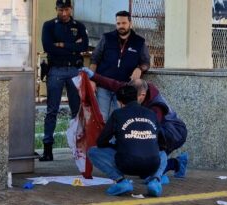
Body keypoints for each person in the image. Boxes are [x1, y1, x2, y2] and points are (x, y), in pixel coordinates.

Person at [81, 67, 188, 178]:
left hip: (173, 133)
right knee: (145, 164)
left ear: (142, 95)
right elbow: (113, 84)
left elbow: (152, 132)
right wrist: (92, 75)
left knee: (149, 165)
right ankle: (159, 173)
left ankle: (177, 164)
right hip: (160, 131)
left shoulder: (156, 107)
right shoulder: (132, 90)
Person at [88, 85, 167, 197]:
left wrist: (116, 147)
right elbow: (163, 143)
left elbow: (101, 142)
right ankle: (155, 181)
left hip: (126, 164)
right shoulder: (151, 114)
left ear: (119, 102)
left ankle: (121, 182)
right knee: (163, 154)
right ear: (138, 97)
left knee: (93, 151)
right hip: (151, 165)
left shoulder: (117, 114)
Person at [39, 0, 89, 161]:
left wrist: (61, 44)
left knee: (76, 111)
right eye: (61, 10)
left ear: (71, 9)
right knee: (52, 110)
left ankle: (77, 148)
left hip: (74, 70)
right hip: (56, 70)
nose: (64, 13)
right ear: (56, 9)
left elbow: (84, 47)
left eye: (66, 9)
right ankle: (48, 149)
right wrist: (72, 46)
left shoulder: (79, 26)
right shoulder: (49, 25)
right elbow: (48, 47)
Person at [89, 10, 150, 121]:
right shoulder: (106, 38)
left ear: (130, 23)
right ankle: (103, 139)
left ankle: (116, 139)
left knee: (120, 119)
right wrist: (92, 79)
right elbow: (94, 59)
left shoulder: (139, 42)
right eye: (118, 23)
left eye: (124, 23)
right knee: (102, 117)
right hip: (103, 86)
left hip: (123, 88)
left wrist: (140, 68)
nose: (121, 26)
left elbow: (146, 62)